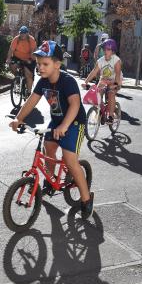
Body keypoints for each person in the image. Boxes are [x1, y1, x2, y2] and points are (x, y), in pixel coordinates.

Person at [9, 40, 94, 219]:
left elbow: (74, 105)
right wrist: (19, 118)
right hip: (56, 121)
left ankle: (86, 200)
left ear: (57, 64)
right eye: (39, 64)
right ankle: (51, 180)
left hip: (74, 123)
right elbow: (31, 101)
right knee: (49, 148)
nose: (40, 67)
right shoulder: (43, 82)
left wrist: (64, 126)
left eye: (45, 64)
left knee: (70, 160)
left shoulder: (67, 81)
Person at [82, 39, 122, 123]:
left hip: (115, 80)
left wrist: (116, 84)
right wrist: (85, 82)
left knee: (111, 94)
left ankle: (110, 116)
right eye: (104, 49)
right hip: (103, 80)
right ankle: (101, 111)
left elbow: (118, 74)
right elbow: (94, 72)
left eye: (108, 49)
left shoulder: (116, 60)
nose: (105, 51)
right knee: (97, 93)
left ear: (113, 51)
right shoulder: (100, 61)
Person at [6, 26, 37, 92]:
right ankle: (17, 78)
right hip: (17, 57)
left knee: (28, 75)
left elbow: (32, 51)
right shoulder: (16, 39)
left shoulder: (31, 39)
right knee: (12, 65)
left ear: (27, 34)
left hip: (28, 58)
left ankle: (28, 92)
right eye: (21, 33)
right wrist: (8, 58)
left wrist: (31, 60)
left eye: (24, 33)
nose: (22, 35)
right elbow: (11, 50)